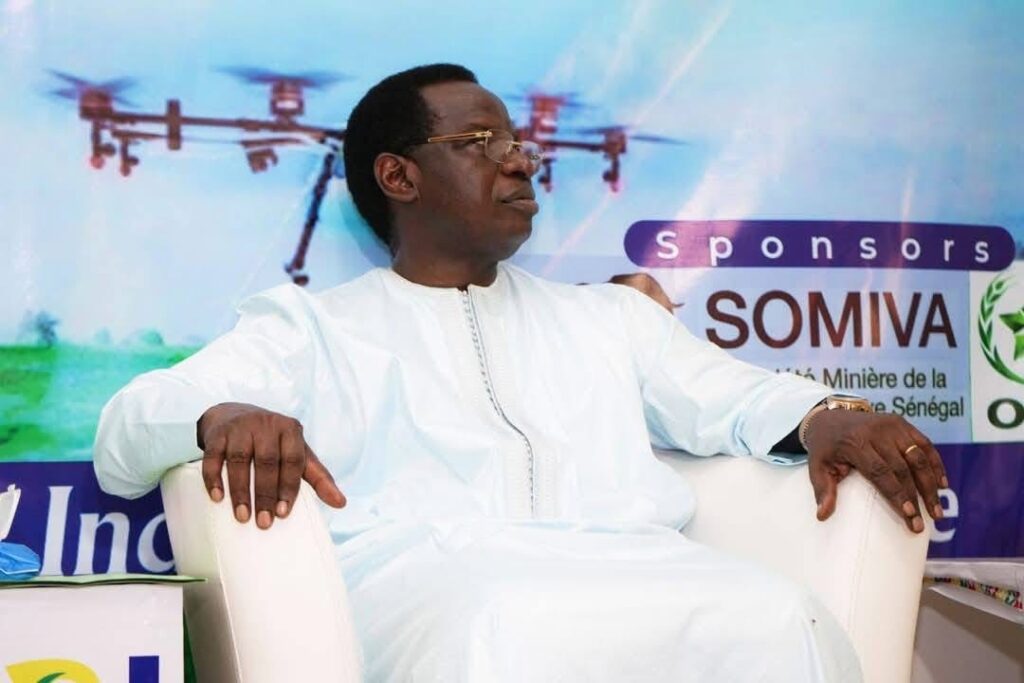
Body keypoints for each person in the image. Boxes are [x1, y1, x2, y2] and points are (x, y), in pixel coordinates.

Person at [94, 64, 946, 682]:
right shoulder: (312, 325)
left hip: (637, 561)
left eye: (516, 141)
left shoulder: (607, 318)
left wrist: (828, 414)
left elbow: (736, 394)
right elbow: (127, 429)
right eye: (479, 143)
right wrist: (218, 415)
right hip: (429, 577)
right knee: (506, 622)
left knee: (782, 615)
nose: (519, 161)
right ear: (398, 176)